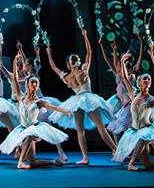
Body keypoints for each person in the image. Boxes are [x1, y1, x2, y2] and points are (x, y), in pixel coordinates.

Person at [46, 28, 116, 164]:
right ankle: (113, 150)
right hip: (87, 99)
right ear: (76, 62)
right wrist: (85, 36)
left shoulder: (68, 77)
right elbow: (89, 53)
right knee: (99, 126)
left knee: (81, 130)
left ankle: (86, 157)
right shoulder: (83, 71)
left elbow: (54, 67)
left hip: (78, 100)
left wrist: (48, 53)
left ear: (68, 64)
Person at [0, 54, 72, 168]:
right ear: (27, 84)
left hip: (36, 130)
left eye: (36, 83)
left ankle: (20, 162)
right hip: (23, 130)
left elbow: (54, 107)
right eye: (32, 82)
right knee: (32, 162)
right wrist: (14, 63)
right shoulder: (21, 98)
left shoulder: (39, 102)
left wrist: (66, 111)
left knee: (30, 134)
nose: (34, 84)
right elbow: (15, 81)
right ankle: (54, 162)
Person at [112, 53, 154, 170]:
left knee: (142, 137)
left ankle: (131, 163)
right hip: (134, 131)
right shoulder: (133, 95)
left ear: (150, 83)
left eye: (149, 79)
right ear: (139, 83)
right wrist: (122, 62)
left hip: (146, 131)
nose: (147, 80)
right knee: (147, 164)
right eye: (144, 78)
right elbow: (124, 78)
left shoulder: (153, 100)